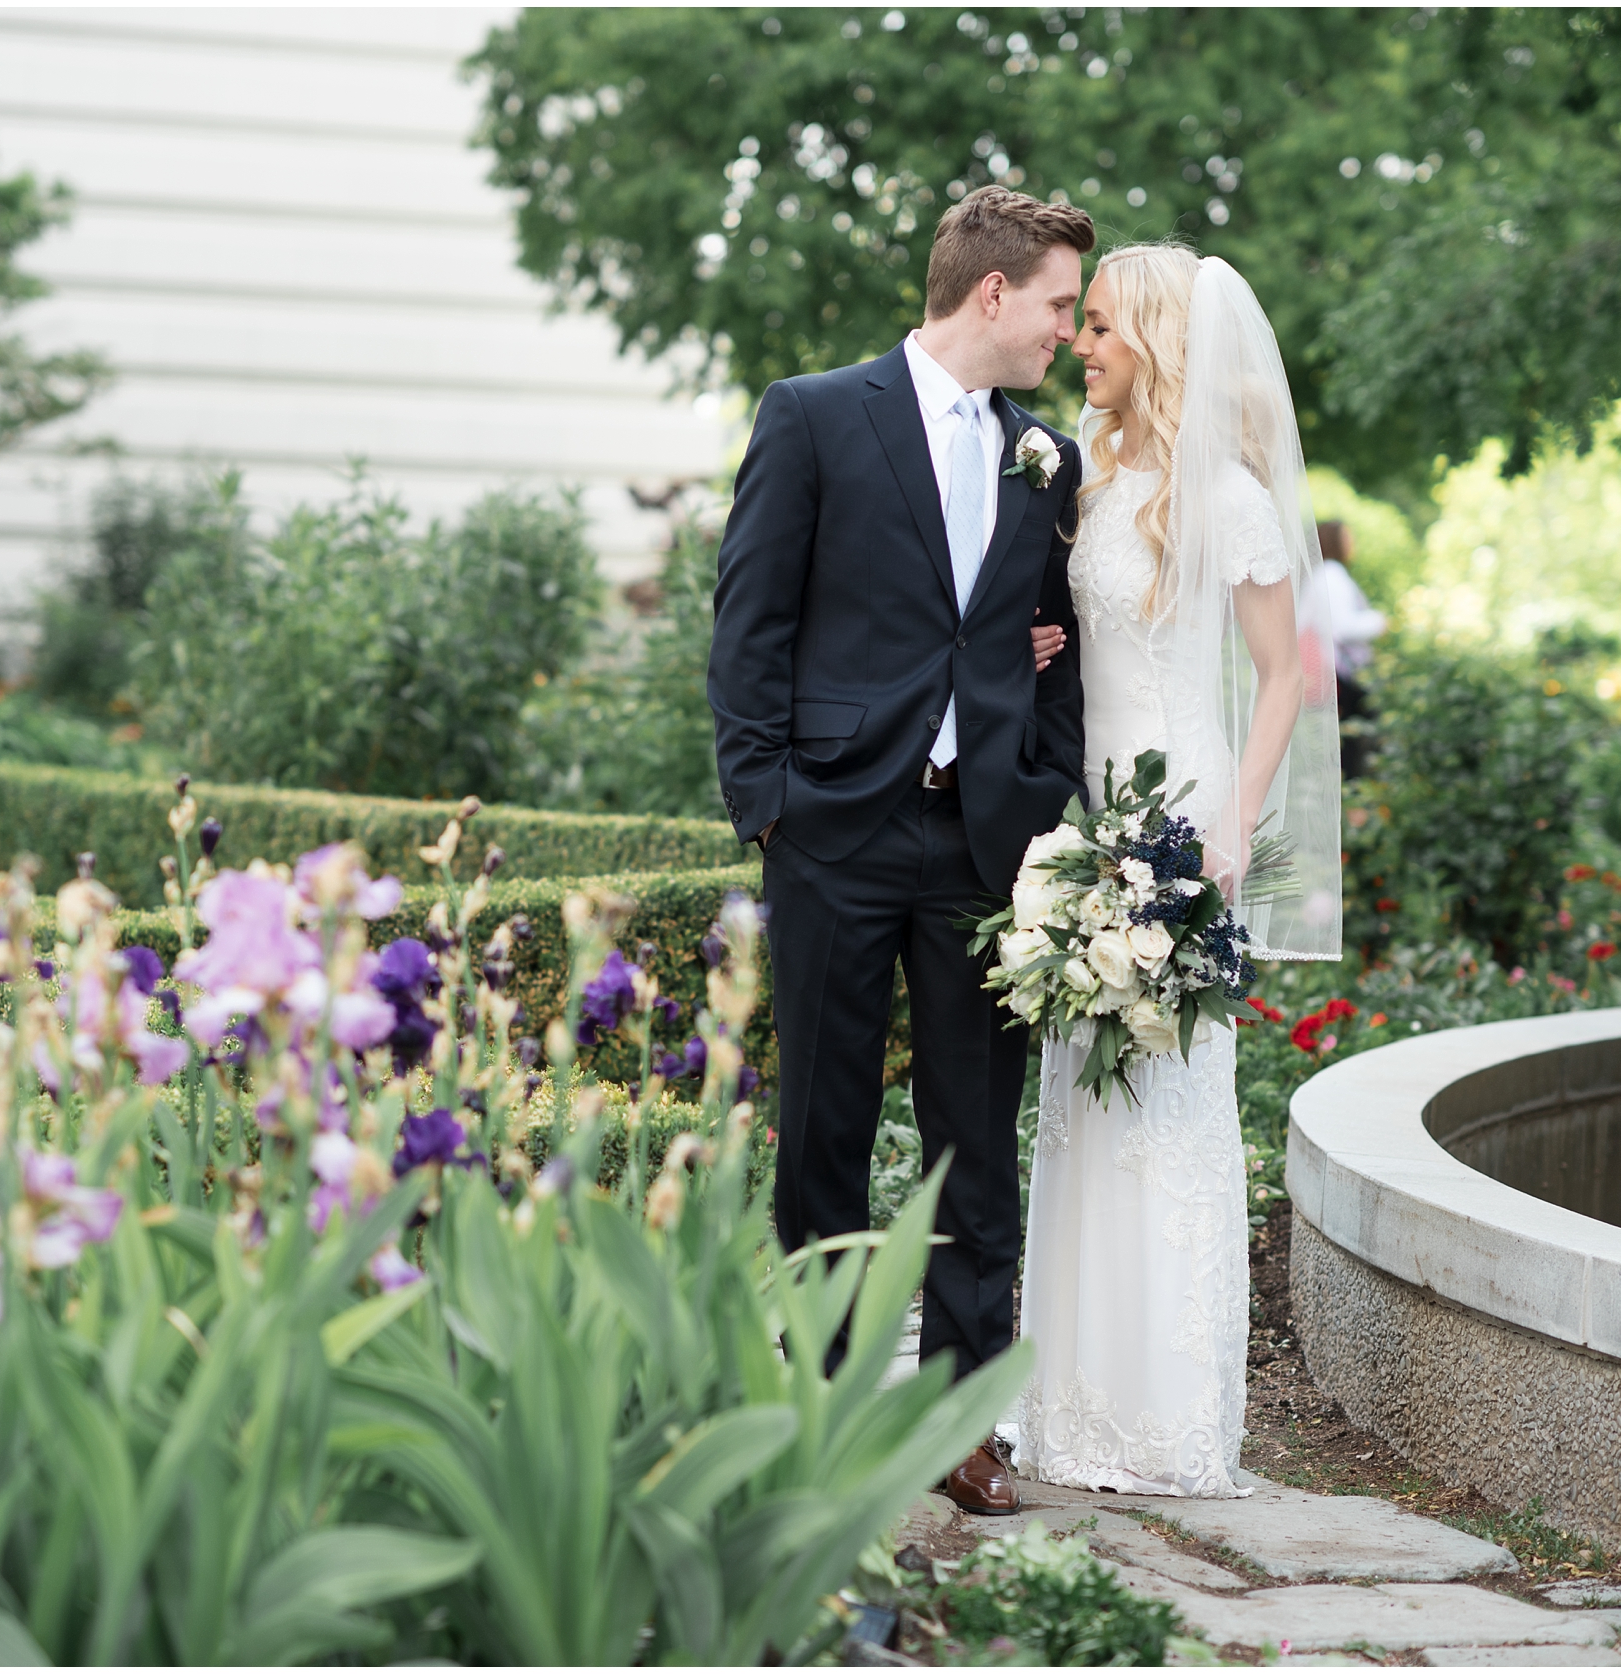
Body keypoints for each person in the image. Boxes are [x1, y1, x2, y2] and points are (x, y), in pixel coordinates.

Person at [707, 187, 1095, 1516]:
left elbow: (1053, 645)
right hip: (833, 828)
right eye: (1058, 305)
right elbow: (749, 617)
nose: (1068, 330)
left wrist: (1044, 789)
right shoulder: (813, 415)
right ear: (992, 294)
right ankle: (818, 1412)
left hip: (982, 839)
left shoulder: (1047, 455)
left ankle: (963, 1424)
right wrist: (766, 799)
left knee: (975, 1136)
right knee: (823, 1128)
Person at [1012, 242, 1341, 1499]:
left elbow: (1287, 674)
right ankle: (1068, 1407)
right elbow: (1058, 625)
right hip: (1084, 814)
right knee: (1081, 1106)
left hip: (1182, 810)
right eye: (1077, 323)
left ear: (1150, 339)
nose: (1079, 345)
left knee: (1166, 1099)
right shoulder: (1078, 472)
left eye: (1098, 326)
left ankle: (1168, 1421)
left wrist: (1236, 819)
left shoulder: (1230, 497)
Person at [1306, 519, 1387, 778]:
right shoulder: (1332, 574)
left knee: (1343, 740)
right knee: (1353, 743)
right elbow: (1342, 626)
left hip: (1332, 669)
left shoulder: (1321, 575)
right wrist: (1379, 621)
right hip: (1340, 670)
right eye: (1348, 536)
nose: (1352, 543)